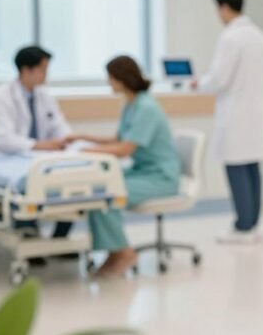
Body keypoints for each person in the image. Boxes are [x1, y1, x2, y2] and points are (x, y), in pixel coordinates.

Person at [66, 56, 181, 277]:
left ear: (121, 79)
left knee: (108, 193)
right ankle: (114, 252)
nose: (108, 82)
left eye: (110, 78)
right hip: (143, 171)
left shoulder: (146, 107)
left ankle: (124, 253)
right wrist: (82, 138)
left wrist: (84, 152)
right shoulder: (132, 103)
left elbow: (124, 150)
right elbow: (116, 139)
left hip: (161, 177)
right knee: (96, 188)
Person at [196, 0, 263, 244]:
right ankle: (252, 223)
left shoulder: (231, 38)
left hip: (236, 114)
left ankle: (242, 226)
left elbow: (219, 78)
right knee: (252, 168)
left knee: (236, 168)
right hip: (255, 112)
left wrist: (201, 83)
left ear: (225, 8)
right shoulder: (259, 36)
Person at [0, 45, 73, 242]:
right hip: (6, 156)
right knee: (27, 183)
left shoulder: (45, 96)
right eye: (43, 69)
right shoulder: (1, 97)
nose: (46, 74)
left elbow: (59, 125)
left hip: (39, 155)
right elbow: (4, 139)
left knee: (70, 175)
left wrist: (66, 140)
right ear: (26, 70)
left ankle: (60, 239)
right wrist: (40, 145)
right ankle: (30, 237)